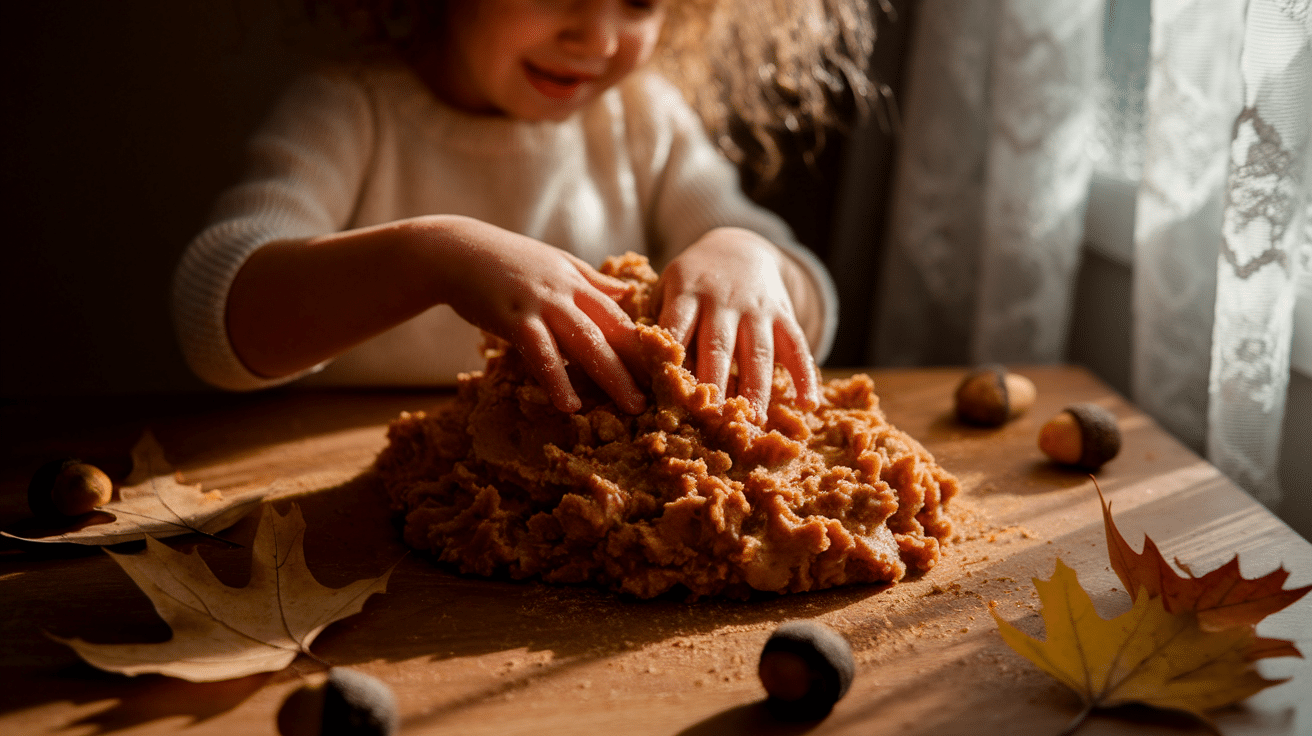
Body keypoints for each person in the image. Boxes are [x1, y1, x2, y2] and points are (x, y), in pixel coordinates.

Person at [172, 0, 874, 422]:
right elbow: (218, 323)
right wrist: (434, 257)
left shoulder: (643, 119)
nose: (597, 38)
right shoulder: (350, 111)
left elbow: (809, 303)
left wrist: (747, 253)